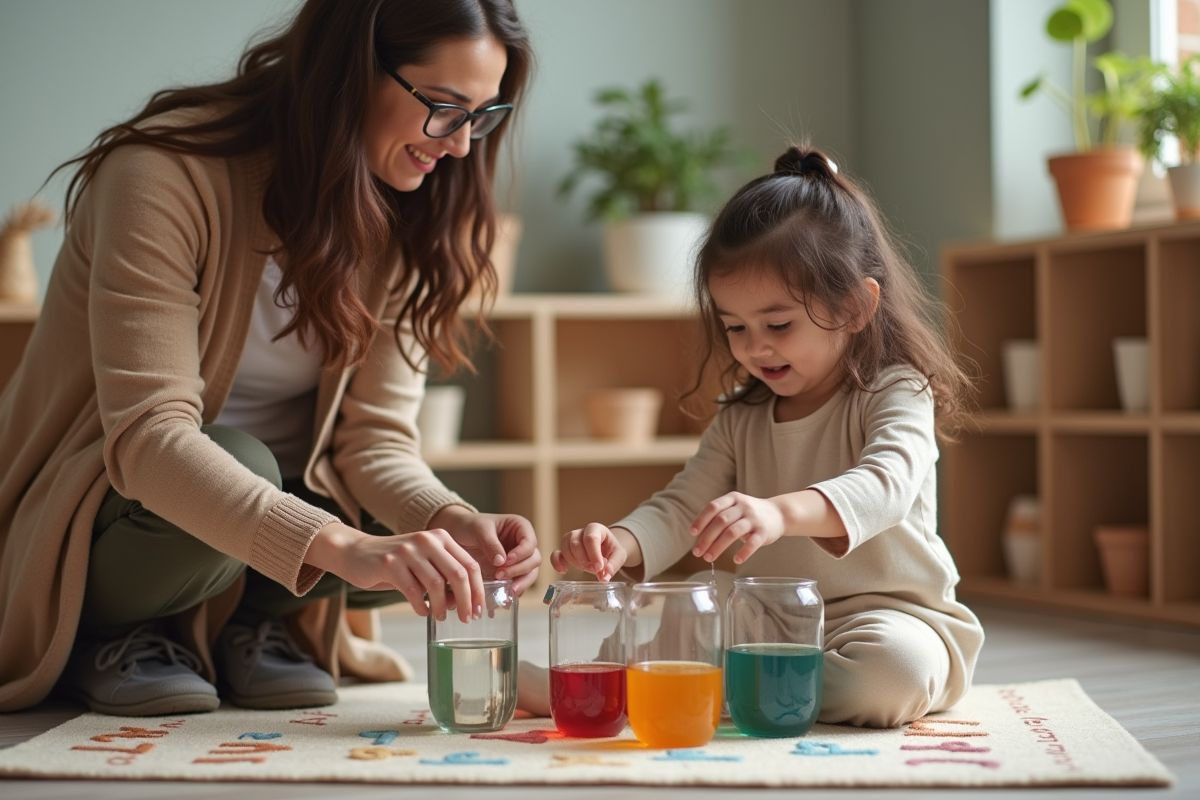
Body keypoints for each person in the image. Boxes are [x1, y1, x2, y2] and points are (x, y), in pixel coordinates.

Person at [0, 0, 540, 717]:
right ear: (346, 73)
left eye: (481, 115)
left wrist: (450, 516)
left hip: (267, 523)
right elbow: (150, 442)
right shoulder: (162, 174)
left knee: (422, 536)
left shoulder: (415, 212)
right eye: (443, 108)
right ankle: (114, 632)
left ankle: (248, 622)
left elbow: (372, 443)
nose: (462, 146)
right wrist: (340, 547)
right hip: (118, 519)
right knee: (253, 469)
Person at [549, 146, 984, 728]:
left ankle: (700, 685)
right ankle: (618, 682)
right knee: (684, 605)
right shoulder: (741, 416)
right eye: (735, 327)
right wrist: (619, 543)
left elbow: (885, 486)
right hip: (769, 620)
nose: (755, 347)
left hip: (888, 615)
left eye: (778, 325)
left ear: (856, 306)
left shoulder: (897, 390)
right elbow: (683, 505)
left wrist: (779, 513)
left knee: (891, 675)